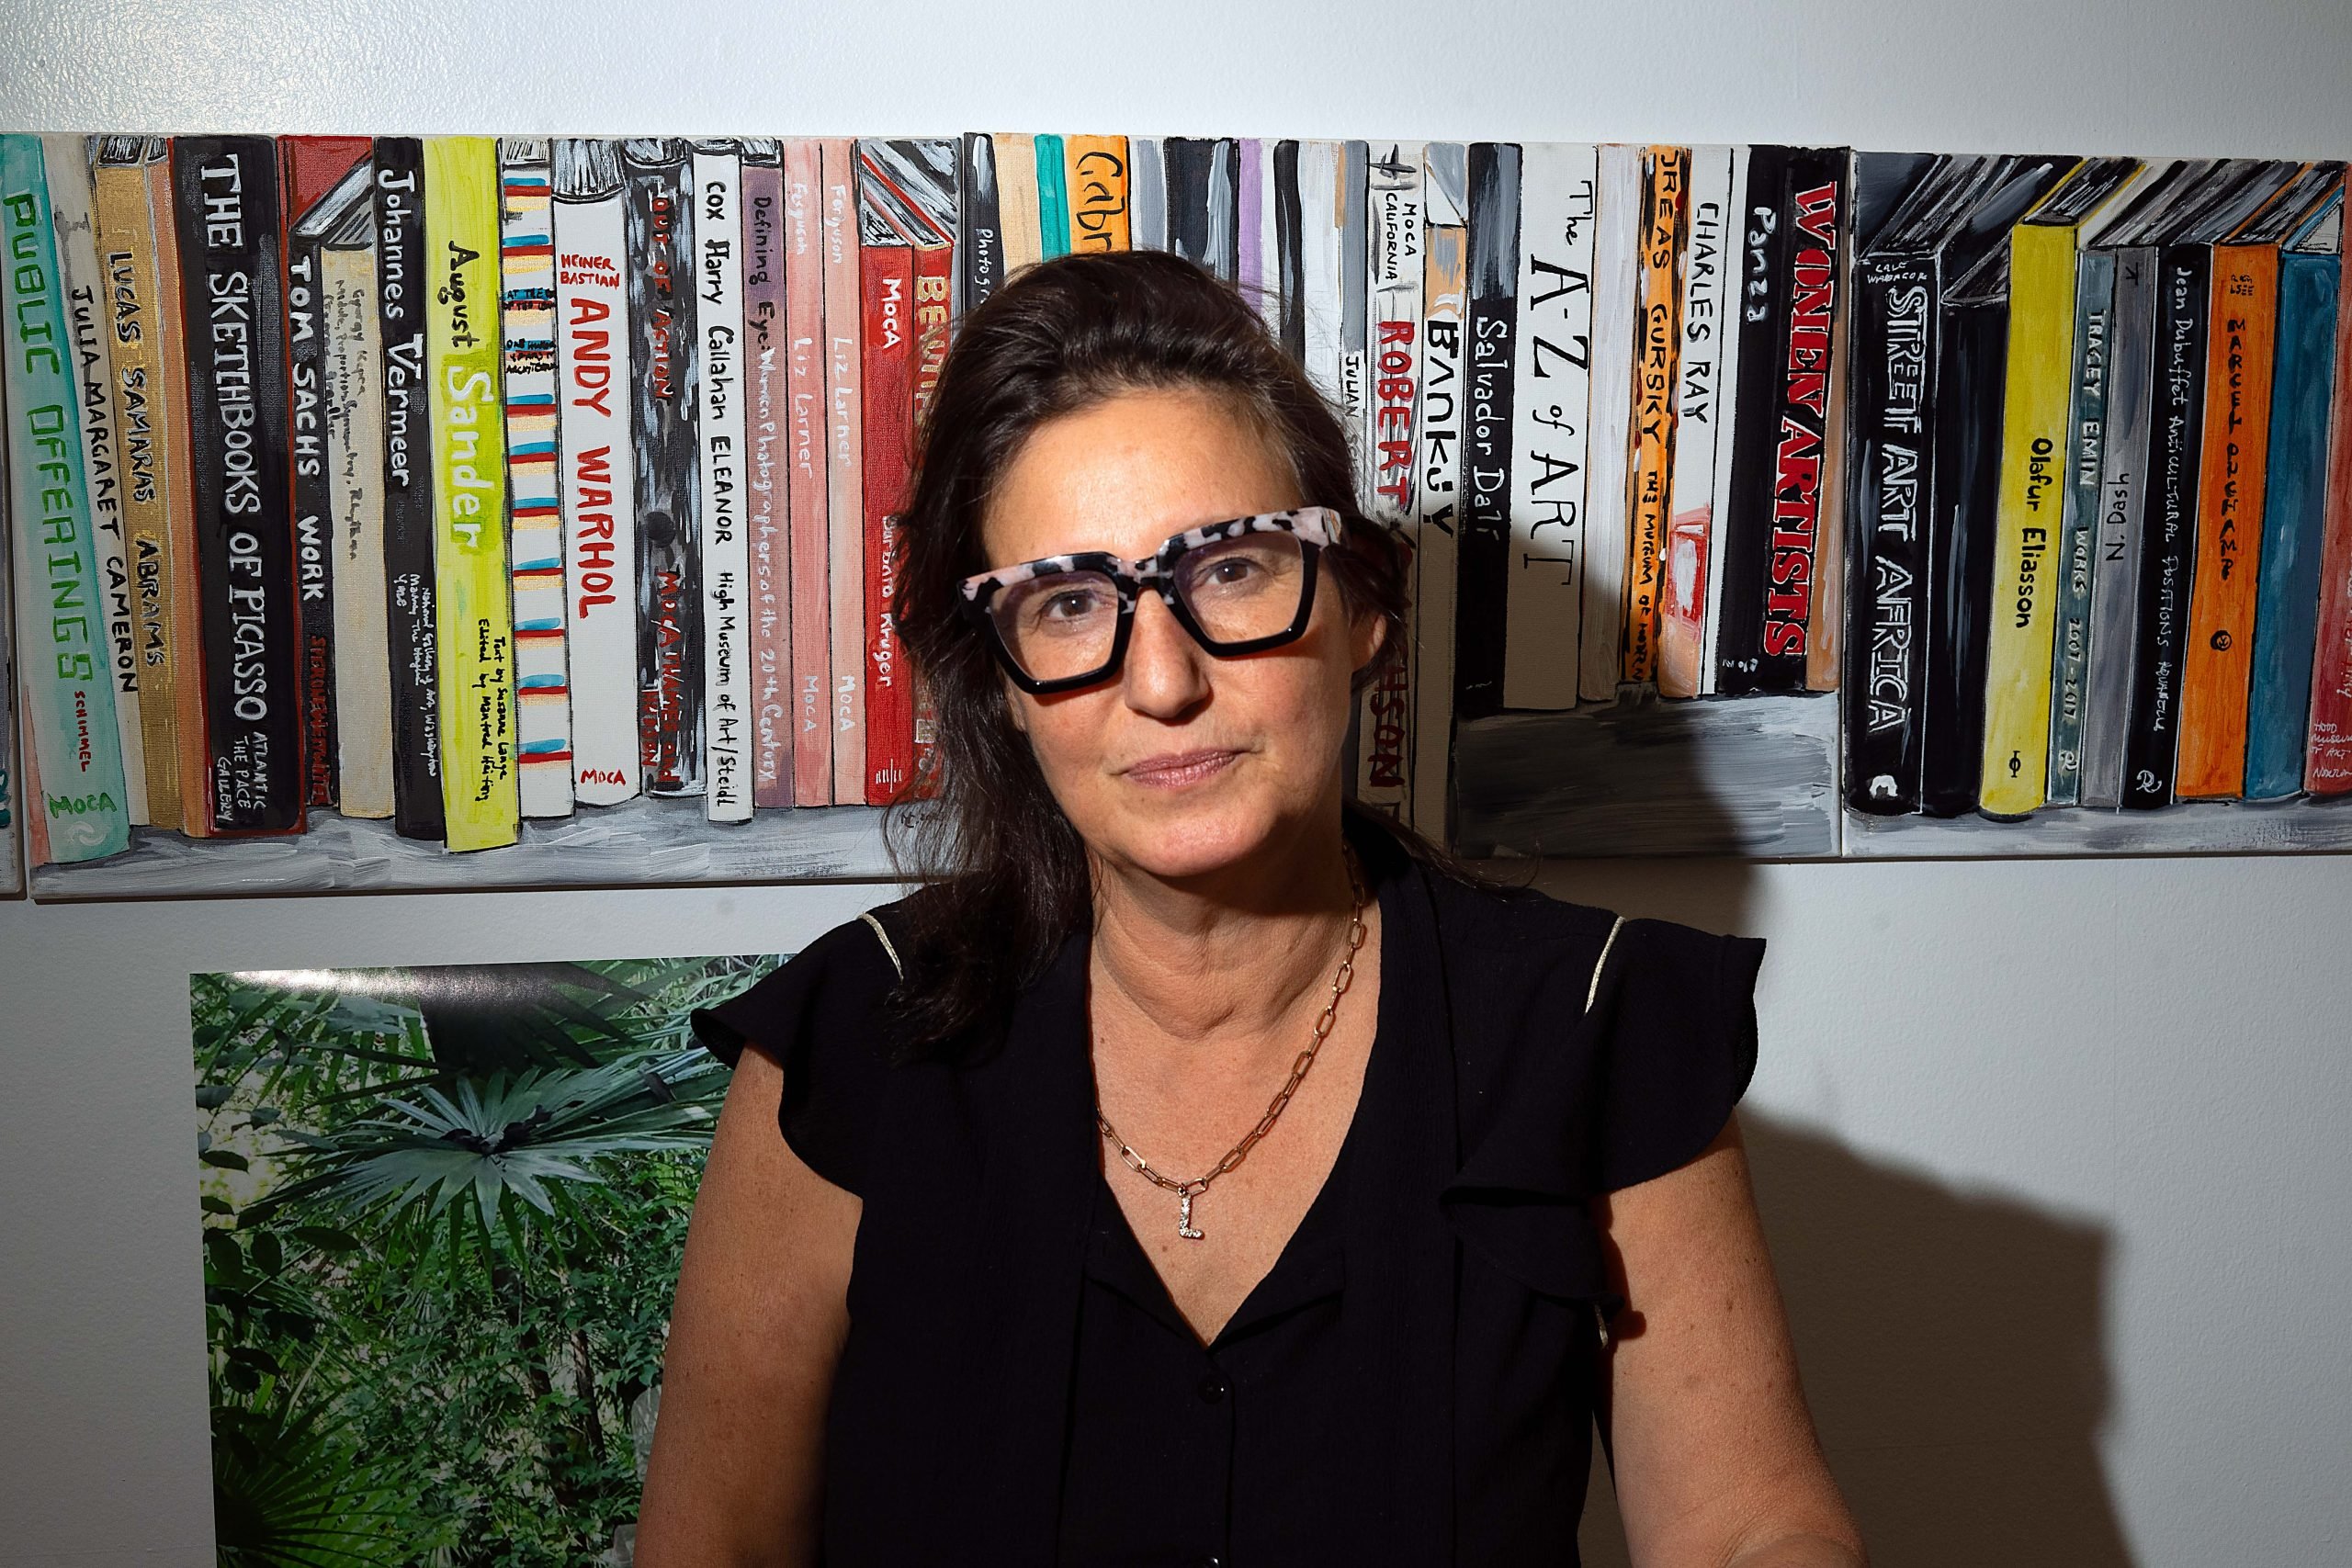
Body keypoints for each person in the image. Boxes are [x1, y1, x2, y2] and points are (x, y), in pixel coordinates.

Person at [637, 249, 1865, 1567]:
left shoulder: (1588, 1024)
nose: (1162, 682)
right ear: (999, 679)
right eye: (1068, 603)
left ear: (1362, 609)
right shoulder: (848, 1045)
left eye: (1229, 572)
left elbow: (1753, 1530)